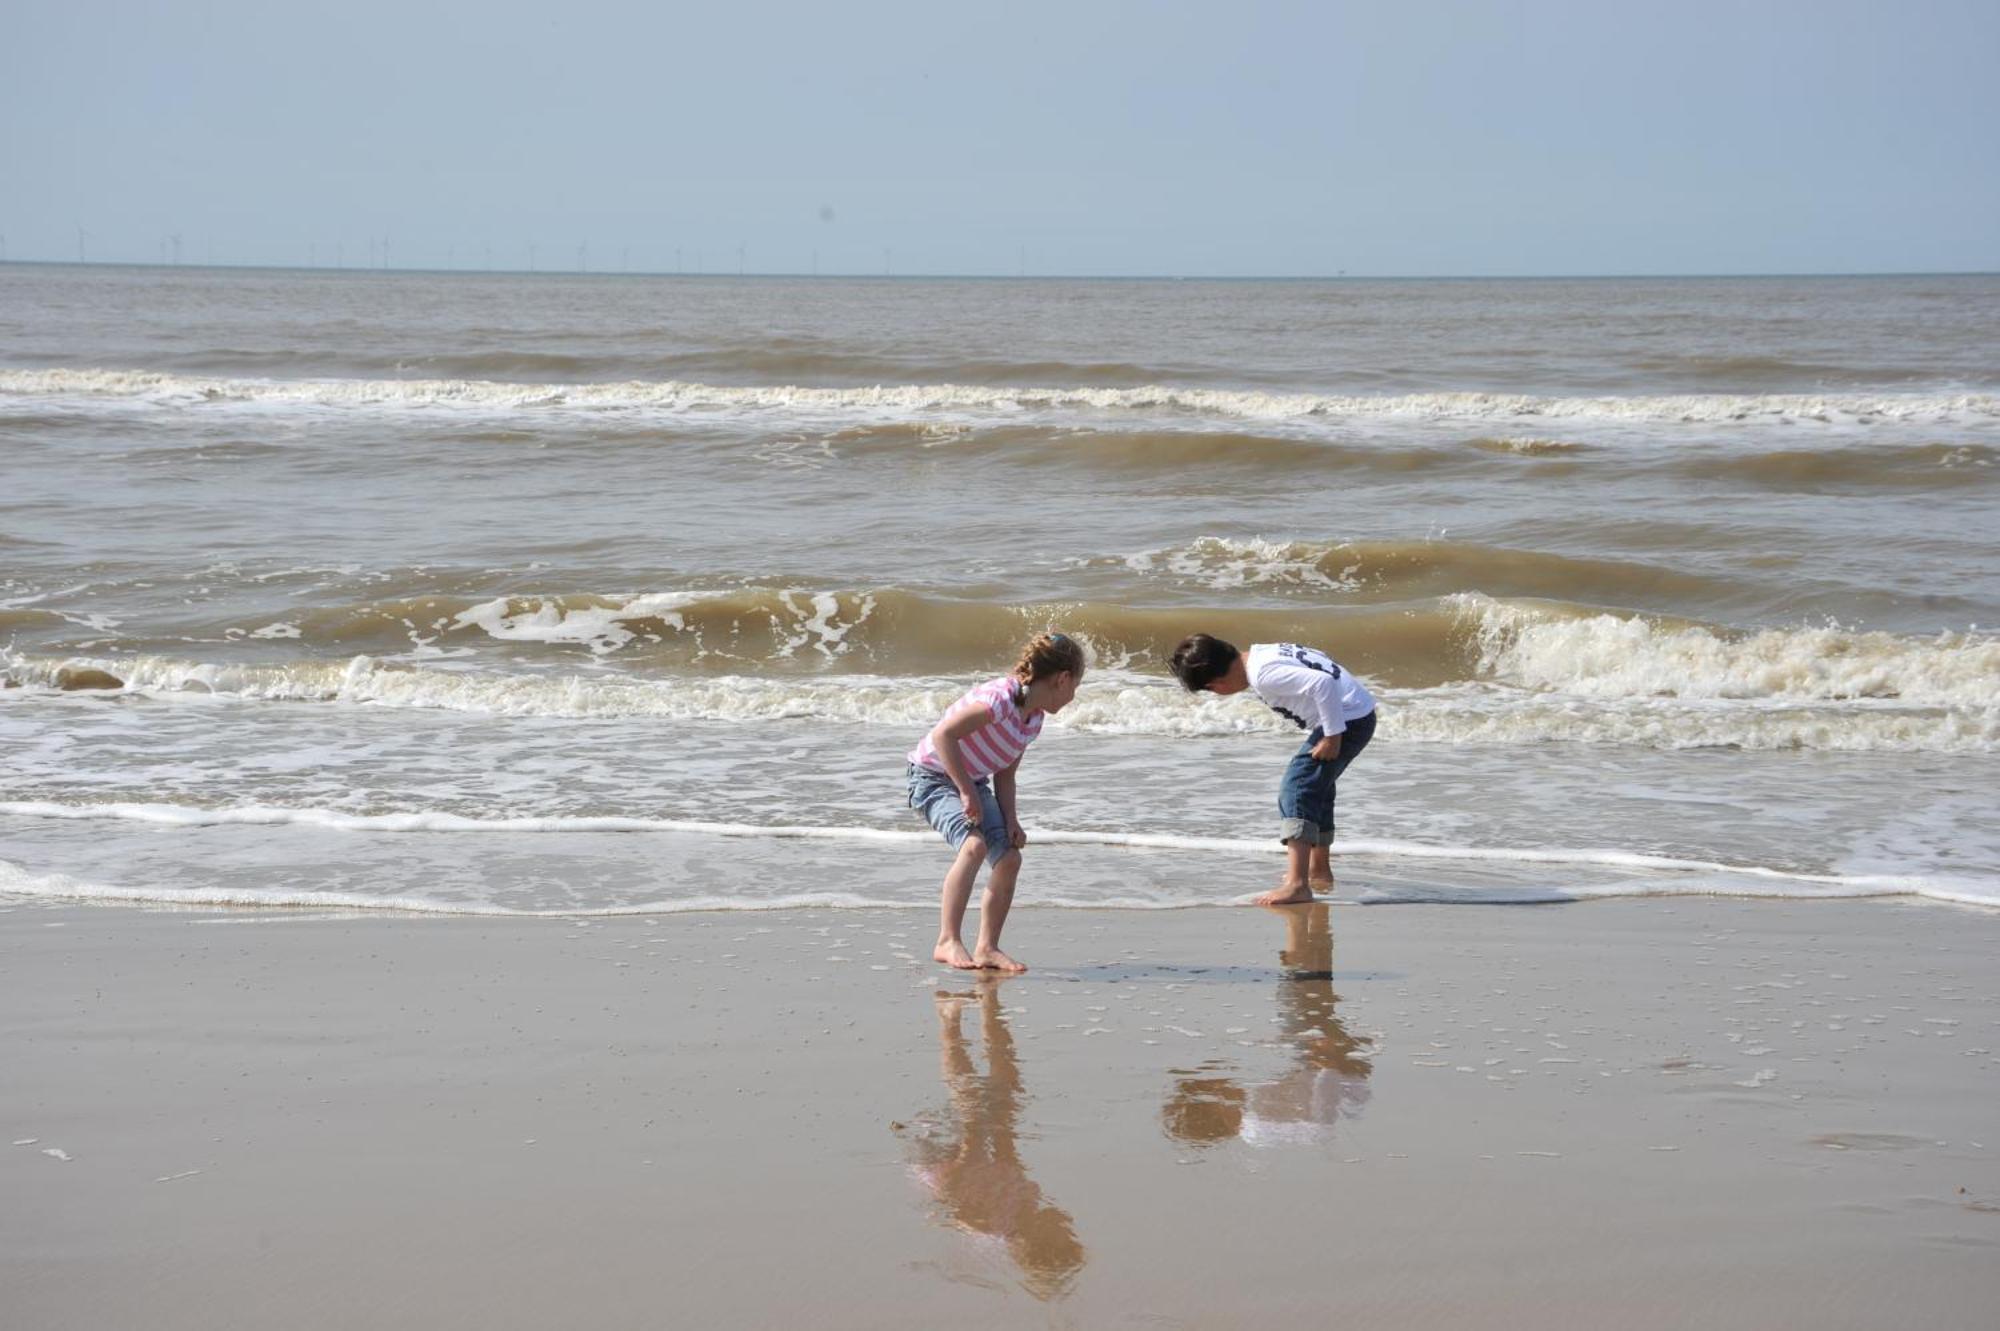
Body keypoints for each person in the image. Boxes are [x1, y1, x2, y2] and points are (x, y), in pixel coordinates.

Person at [908, 632, 1085, 972]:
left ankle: (987, 947)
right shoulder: (1000, 700)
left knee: (1009, 859)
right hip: (932, 776)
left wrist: (1011, 820)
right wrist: (964, 791)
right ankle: (947, 940)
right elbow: (943, 735)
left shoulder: (1033, 719)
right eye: (1075, 686)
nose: (1073, 696)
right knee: (973, 847)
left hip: (972, 781)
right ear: (1062, 679)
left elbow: (1005, 774)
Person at [1168, 634, 1377, 905]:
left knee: (1296, 788)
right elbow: (1321, 661)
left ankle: (1298, 884)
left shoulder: (1263, 676)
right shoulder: (1261, 654)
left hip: (1346, 721)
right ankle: (1319, 869)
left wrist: (1332, 735)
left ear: (1215, 685)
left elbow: (1322, 682)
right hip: (1355, 713)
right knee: (1317, 787)